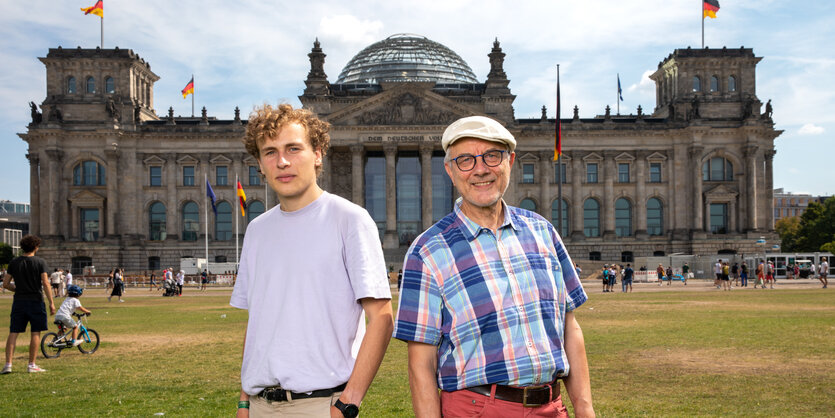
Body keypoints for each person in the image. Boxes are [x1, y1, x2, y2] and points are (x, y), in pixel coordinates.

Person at [394, 116, 593, 417]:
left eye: (492, 156)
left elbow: (570, 327)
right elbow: (421, 363)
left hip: (551, 407)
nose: (481, 169)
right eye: (465, 160)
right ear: (449, 170)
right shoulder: (426, 252)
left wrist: (585, 410)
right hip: (477, 408)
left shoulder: (543, 232)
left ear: (510, 161)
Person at [230, 103, 393, 417]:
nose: (283, 162)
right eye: (270, 152)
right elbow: (259, 325)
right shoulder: (257, 230)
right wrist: (243, 400)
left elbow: (382, 317)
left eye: (293, 148)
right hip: (259, 406)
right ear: (260, 165)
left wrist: (348, 402)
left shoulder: (349, 220)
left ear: (318, 154)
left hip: (320, 405)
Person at [2, 234, 56, 374]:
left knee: (14, 332)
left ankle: (8, 364)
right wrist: (51, 302)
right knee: (35, 332)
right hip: (36, 300)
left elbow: (6, 284)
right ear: (36, 247)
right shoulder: (40, 262)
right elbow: (45, 283)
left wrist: (17, 289)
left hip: (19, 301)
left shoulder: (14, 262)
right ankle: (31, 364)